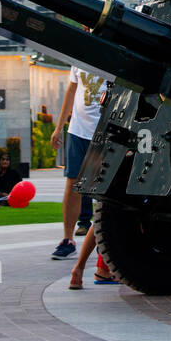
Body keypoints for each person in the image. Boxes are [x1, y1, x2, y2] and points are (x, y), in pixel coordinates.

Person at [50, 65, 107, 259]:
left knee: (103, 189)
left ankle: (104, 243)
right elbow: (72, 90)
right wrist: (59, 127)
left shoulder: (113, 52)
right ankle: (68, 240)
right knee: (72, 184)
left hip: (104, 132)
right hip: (78, 130)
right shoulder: (78, 58)